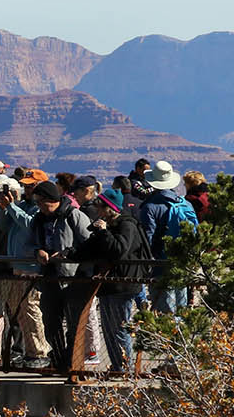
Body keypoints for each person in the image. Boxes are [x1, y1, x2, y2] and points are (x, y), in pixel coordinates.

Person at [69, 194, 149, 374]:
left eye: (100, 207)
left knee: (120, 327)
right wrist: (68, 253)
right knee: (108, 330)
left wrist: (104, 232)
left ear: (110, 208)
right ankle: (117, 366)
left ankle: (125, 368)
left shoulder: (127, 225)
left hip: (123, 284)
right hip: (107, 285)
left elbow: (119, 251)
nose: (97, 211)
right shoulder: (107, 226)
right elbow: (89, 248)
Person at [0, 176, 49, 365]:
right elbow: (1, 225)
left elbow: (29, 225)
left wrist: (11, 207)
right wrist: (4, 208)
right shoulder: (23, 206)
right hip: (17, 267)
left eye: (30, 186)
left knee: (31, 310)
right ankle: (29, 351)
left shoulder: (39, 209)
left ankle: (39, 352)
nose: (27, 190)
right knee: (20, 312)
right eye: (25, 186)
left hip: (31, 267)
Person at [32, 179, 92, 373]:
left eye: (42, 202)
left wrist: (68, 253)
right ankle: (57, 360)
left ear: (52, 199)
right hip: (48, 277)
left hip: (72, 278)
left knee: (74, 322)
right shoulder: (38, 219)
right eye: (38, 202)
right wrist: (38, 251)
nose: (40, 206)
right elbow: (31, 242)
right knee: (50, 320)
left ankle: (72, 361)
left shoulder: (73, 216)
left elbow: (89, 242)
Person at [137, 159, 198, 313]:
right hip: (182, 263)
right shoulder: (185, 204)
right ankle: (181, 336)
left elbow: (148, 238)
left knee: (164, 310)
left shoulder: (150, 207)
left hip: (160, 265)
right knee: (181, 306)